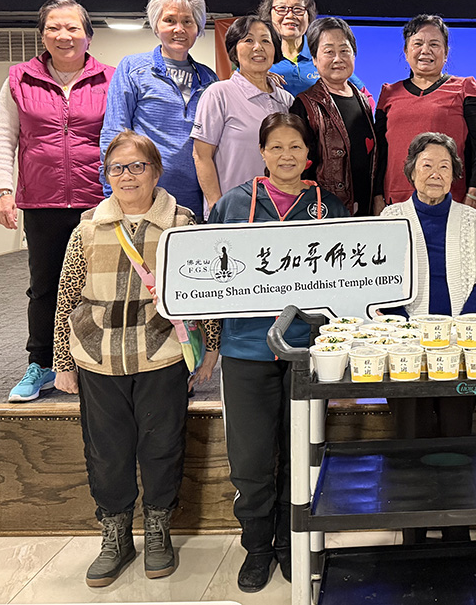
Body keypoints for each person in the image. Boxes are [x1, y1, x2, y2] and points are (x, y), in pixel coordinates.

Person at [52, 131, 220, 587]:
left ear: (156, 172)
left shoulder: (181, 224)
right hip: (98, 357)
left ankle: (159, 527)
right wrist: (62, 361)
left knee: (162, 445)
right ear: (107, 175)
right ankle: (115, 533)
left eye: (137, 166)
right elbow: (67, 296)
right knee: (106, 450)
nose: (127, 176)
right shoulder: (88, 227)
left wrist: (211, 350)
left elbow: (204, 291)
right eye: (117, 168)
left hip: (161, 354)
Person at [209, 112, 348, 592]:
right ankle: (256, 547)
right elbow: (207, 278)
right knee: (249, 458)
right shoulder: (233, 205)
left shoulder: (329, 207)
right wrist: (209, 348)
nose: (286, 155)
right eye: (276, 147)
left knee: (299, 454)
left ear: (309, 154)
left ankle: (291, 543)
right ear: (262, 153)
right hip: (246, 349)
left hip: (309, 352)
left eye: (296, 147)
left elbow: (350, 283)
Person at [0, 0, 114, 403]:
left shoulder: (110, 79)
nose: (64, 35)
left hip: (97, 200)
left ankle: (95, 360)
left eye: (73, 27)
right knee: (45, 287)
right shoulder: (19, 79)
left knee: (100, 285)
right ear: (42, 35)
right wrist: (1, 191)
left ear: (88, 35)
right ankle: (41, 363)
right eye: (54, 28)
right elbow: (2, 136)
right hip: (41, 202)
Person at [381, 132, 476, 543]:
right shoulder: (391, 217)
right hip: (407, 348)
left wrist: (457, 333)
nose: (435, 173)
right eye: (426, 164)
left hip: (459, 349)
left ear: (455, 175)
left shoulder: (470, 218)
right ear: (411, 171)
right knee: (409, 437)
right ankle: (413, 529)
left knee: (457, 435)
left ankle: (456, 527)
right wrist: (414, 332)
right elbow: (382, 285)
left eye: (445, 166)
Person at [101, 0, 218, 218]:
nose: (179, 29)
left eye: (188, 21)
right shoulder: (132, 69)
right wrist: (112, 193)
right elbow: (114, 133)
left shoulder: (209, 79)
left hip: (196, 199)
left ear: (198, 28)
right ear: (156, 26)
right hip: (144, 198)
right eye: (169, 20)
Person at [373, 14, 476, 212]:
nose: (425, 50)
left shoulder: (465, 88)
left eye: (434, 44)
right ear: (406, 51)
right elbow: (380, 151)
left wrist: (475, 192)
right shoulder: (389, 93)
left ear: (446, 52)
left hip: (450, 200)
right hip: (396, 202)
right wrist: (377, 195)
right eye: (418, 43)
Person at [191, 15, 292, 217]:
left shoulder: (286, 100)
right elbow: (201, 155)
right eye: (248, 40)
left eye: (266, 41)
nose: (258, 47)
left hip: (280, 213)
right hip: (233, 213)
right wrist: (217, 206)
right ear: (234, 51)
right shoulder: (218, 94)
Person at [292, 17, 377, 216]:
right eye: (329, 51)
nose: (338, 59)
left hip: (365, 212)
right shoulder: (304, 105)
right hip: (324, 212)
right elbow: (298, 168)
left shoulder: (363, 101)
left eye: (344, 50)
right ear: (314, 59)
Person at [258, 0, 373, 103]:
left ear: (308, 15)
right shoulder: (257, 57)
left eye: (298, 9)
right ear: (269, 14)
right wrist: (255, 80)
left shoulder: (322, 53)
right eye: (282, 9)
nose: (290, 15)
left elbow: (366, 98)